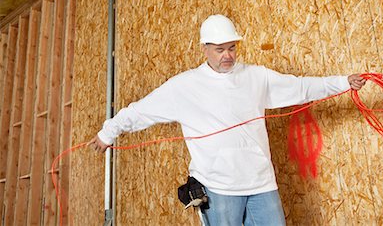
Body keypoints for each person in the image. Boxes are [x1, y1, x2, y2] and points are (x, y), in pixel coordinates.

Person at [89, 14, 366, 226]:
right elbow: (140, 111)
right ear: (204, 48)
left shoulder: (257, 77)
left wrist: (343, 82)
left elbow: (301, 87)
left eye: (232, 48)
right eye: (220, 49)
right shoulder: (185, 86)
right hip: (219, 188)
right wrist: (108, 133)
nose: (228, 55)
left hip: (261, 184)